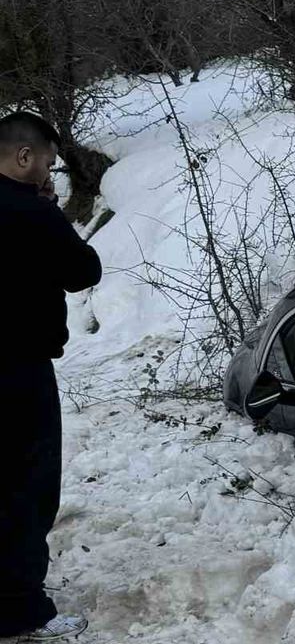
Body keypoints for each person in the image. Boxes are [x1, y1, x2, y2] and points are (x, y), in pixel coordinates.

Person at [0, 112, 100, 641]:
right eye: (46, 162)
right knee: (25, 488)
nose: (47, 173)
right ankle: (19, 612)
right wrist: (53, 218)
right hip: (17, 374)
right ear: (23, 157)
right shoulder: (32, 214)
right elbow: (84, 270)